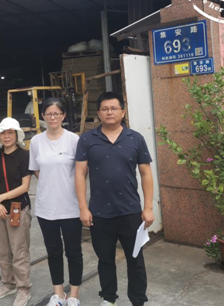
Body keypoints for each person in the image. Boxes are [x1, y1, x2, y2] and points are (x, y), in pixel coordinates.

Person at [75, 92, 154, 306]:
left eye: (114, 108)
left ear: (122, 112)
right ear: (99, 113)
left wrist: (148, 208)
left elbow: (146, 174)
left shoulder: (135, 138)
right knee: (105, 260)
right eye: (105, 109)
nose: (109, 112)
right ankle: (109, 298)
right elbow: (80, 174)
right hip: (100, 212)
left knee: (135, 259)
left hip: (130, 211)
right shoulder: (87, 139)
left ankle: (138, 300)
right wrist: (83, 208)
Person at [29, 98, 83, 306]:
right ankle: (58, 295)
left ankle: (74, 295)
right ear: (43, 116)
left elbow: (81, 171)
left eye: (57, 113)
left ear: (63, 116)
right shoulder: (36, 141)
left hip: (70, 206)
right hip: (46, 207)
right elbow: (36, 169)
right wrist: (51, 183)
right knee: (53, 252)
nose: (53, 117)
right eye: (49, 114)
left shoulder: (73, 140)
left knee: (74, 251)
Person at [0, 117, 33, 306]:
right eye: (3, 133)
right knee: (2, 250)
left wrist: (1, 198)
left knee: (19, 250)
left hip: (17, 209)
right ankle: (8, 283)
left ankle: (23, 289)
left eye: (10, 132)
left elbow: (25, 186)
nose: (6, 136)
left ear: (16, 135)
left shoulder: (24, 156)